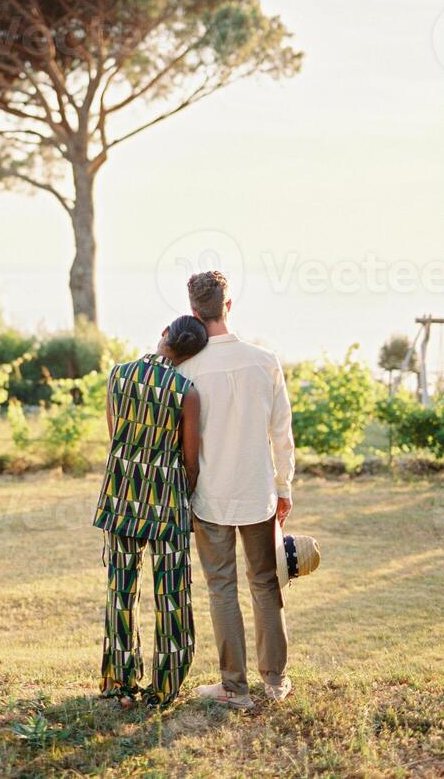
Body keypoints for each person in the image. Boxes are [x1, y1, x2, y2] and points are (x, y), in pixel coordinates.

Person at [178, 271, 295, 709]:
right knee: (266, 585)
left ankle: (234, 688)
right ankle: (276, 680)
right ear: (230, 305)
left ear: (194, 312)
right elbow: (281, 434)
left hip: (210, 496)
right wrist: (284, 486)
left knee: (222, 588)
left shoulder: (186, 367)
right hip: (258, 493)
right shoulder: (265, 361)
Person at [93, 315, 207, 709]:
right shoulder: (186, 391)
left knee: (121, 590)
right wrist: (183, 494)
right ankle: (164, 689)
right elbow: (191, 461)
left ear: (163, 334)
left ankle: (119, 684)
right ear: (191, 355)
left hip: (122, 495)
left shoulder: (119, 376)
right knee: (171, 594)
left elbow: (116, 438)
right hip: (168, 501)